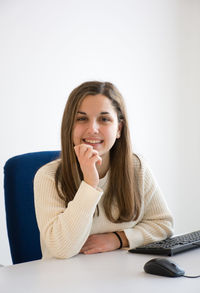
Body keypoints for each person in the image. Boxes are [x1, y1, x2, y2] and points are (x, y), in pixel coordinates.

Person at [34, 81, 174, 259]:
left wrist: (118, 239)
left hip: (120, 276)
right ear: (69, 126)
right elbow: (61, 248)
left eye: (104, 119)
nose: (92, 129)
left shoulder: (136, 167)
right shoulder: (48, 177)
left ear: (119, 129)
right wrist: (90, 184)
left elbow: (163, 224)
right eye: (81, 118)